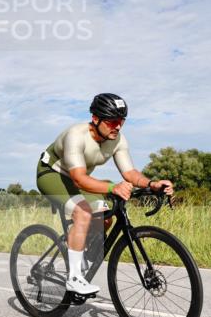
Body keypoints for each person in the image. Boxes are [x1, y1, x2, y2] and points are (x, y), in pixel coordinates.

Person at [36, 93, 174, 296]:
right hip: (52, 174)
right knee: (83, 212)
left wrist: (152, 184)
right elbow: (79, 179)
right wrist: (112, 188)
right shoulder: (76, 135)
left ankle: (80, 251)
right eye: (112, 122)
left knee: (105, 211)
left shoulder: (117, 139)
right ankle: (74, 277)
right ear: (95, 119)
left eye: (121, 122)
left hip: (79, 177)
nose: (117, 127)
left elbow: (130, 173)